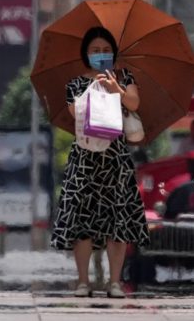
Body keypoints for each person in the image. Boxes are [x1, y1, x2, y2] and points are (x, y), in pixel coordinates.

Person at [50, 26, 149, 298]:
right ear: (86, 54)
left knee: (118, 219)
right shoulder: (76, 83)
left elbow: (135, 103)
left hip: (115, 157)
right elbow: (73, 112)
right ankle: (84, 281)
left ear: (114, 54)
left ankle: (114, 282)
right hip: (85, 157)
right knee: (82, 221)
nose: (101, 55)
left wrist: (114, 87)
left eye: (106, 50)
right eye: (95, 51)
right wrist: (96, 88)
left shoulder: (124, 77)